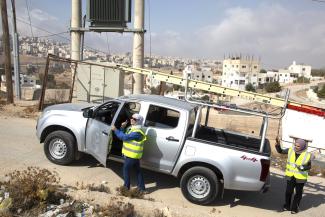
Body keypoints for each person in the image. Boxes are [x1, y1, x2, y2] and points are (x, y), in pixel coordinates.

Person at [275, 137, 312, 214]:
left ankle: (294, 208)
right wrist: (278, 145)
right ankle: (287, 206)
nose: (296, 147)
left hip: (300, 177)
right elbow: (281, 151)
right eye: (295, 145)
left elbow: (309, 166)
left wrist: (302, 167)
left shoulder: (307, 155)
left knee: (298, 193)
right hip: (290, 175)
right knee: (288, 192)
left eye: (298, 146)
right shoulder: (290, 150)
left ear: (302, 146)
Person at [111, 113, 147, 192]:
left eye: (134, 119)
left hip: (132, 156)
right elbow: (124, 134)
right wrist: (122, 127)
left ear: (138, 121)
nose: (131, 119)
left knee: (125, 169)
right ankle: (142, 189)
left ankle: (126, 188)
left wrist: (115, 130)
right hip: (132, 155)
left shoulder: (137, 132)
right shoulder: (132, 128)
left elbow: (124, 137)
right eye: (131, 118)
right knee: (138, 171)